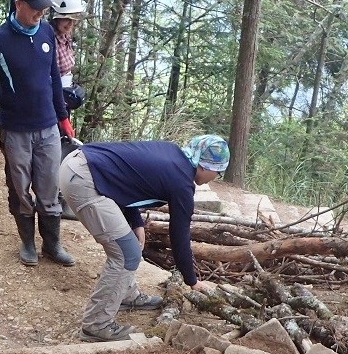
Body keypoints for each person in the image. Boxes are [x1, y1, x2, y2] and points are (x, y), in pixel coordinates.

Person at [56, 134, 228, 342]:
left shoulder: (172, 154)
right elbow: (179, 235)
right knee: (126, 253)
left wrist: (136, 222)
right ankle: (96, 325)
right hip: (84, 180)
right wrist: (192, 281)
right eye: (217, 171)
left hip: (79, 165)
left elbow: (126, 181)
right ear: (204, 165)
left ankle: (126, 296)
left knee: (129, 247)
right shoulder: (181, 183)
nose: (216, 176)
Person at [0, 0, 78, 268]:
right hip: (16, 129)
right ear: (18, 5)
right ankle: (27, 243)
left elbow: (55, 79)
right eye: (35, 9)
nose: (40, 14)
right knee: (20, 188)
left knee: (49, 187)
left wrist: (63, 117)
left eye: (43, 9)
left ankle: (52, 245)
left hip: (47, 127)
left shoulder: (46, 32)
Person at [48, 0, 89, 117]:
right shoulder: (49, 39)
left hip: (64, 95)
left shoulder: (65, 36)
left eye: (73, 19)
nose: (70, 23)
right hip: (52, 98)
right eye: (66, 18)